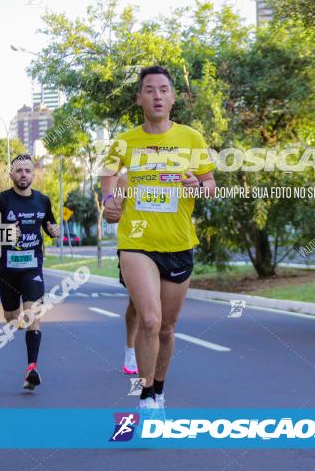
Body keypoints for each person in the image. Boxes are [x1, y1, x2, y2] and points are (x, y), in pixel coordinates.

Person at [101, 65, 216, 410]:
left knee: (166, 328)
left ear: (173, 97)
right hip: (136, 242)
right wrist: (109, 202)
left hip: (178, 242)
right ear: (139, 98)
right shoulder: (123, 142)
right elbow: (108, 178)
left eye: (163, 89)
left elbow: (210, 184)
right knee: (149, 319)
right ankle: (147, 396)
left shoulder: (191, 138)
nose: (157, 96)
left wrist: (201, 185)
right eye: (149, 90)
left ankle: (160, 391)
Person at [0, 154, 61, 390]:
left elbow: (49, 225)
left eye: (27, 170)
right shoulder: (0, 202)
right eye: (19, 171)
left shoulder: (43, 201)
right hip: (6, 269)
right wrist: (4, 232)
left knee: (33, 315)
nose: (23, 175)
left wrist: (53, 230)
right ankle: (17, 323)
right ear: (11, 174)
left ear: (33, 174)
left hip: (32, 267)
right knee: (12, 317)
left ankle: (32, 369)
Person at [107, 172, 138, 375]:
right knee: (137, 303)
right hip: (135, 247)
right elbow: (111, 214)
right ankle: (131, 349)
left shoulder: (175, 175)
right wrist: (110, 210)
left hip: (170, 247)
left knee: (162, 311)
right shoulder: (126, 179)